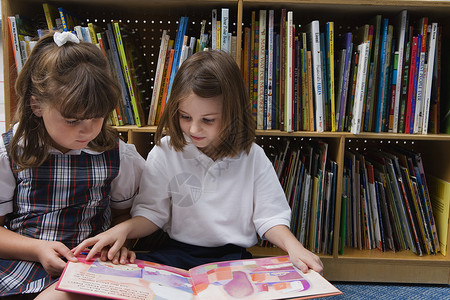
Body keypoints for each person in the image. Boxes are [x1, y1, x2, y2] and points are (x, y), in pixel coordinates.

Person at [74, 50, 323, 274]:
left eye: (208, 120)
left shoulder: (252, 156)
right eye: (185, 116)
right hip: (175, 253)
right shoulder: (164, 152)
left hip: (232, 258)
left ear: (232, 113)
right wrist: (124, 229)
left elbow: (269, 216)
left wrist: (294, 247)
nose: (194, 128)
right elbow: (152, 213)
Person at [0, 32, 145, 299]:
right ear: (37, 105)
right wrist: (37, 249)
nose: (86, 130)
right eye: (72, 120)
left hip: (83, 269)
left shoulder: (119, 155)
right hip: (21, 262)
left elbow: (122, 217)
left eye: (97, 116)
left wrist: (117, 243)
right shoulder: (10, 152)